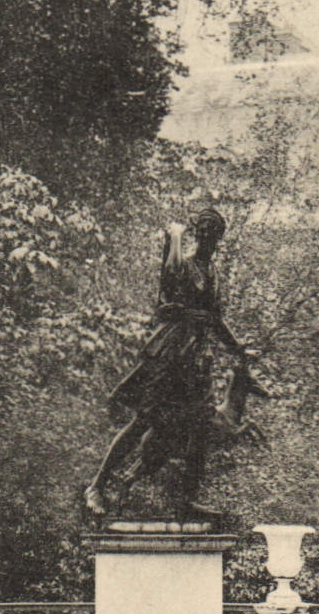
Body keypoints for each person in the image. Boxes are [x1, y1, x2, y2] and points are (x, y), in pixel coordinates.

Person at [85, 208, 253, 519]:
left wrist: (238, 348)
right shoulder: (182, 266)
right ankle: (97, 485)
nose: (206, 237)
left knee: (199, 427)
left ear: (219, 238)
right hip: (170, 354)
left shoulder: (213, 274)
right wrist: (191, 313)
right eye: (201, 231)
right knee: (144, 420)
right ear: (195, 233)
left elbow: (216, 320)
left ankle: (186, 500)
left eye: (212, 233)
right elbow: (163, 309)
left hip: (196, 362)